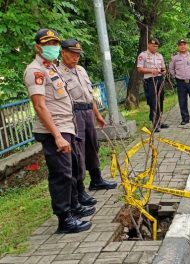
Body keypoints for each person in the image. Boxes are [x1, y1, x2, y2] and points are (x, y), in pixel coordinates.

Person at [24, 29, 93, 233]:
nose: (53, 47)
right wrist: (56, 136)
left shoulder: (51, 68)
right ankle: (64, 220)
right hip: (55, 130)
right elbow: (39, 106)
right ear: (38, 47)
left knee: (70, 171)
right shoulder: (35, 71)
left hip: (66, 127)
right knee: (61, 175)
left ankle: (73, 208)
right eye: (48, 44)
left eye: (55, 43)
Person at [59, 39, 117, 203]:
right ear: (63, 53)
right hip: (73, 113)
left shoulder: (81, 70)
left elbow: (89, 96)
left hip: (87, 111)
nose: (76, 57)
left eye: (78, 54)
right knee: (79, 151)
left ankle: (96, 179)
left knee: (92, 145)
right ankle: (80, 189)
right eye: (72, 54)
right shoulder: (58, 72)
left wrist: (97, 115)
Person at [169, 39, 190, 125]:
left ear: (187, 46)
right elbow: (171, 68)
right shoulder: (174, 57)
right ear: (178, 47)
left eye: (184, 44)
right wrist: (175, 76)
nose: (182, 46)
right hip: (180, 82)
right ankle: (185, 119)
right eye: (180, 45)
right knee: (182, 101)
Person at [137, 38, 168, 132]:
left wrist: (164, 72)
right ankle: (155, 124)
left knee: (160, 101)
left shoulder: (159, 56)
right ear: (148, 45)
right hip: (150, 81)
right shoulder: (143, 55)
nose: (155, 48)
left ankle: (159, 121)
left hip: (159, 79)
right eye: (153, 46)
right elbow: (139, 69)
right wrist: (151, 70)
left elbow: (163, 68)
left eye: (156, 46)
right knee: (153, 102)